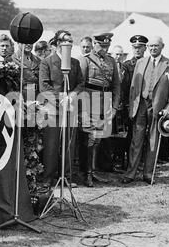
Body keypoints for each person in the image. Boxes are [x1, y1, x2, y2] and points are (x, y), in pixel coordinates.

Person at [122, 36, 169, 185]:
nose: (153, 48)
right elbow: (133, 88)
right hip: (141, 104)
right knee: (136, 139)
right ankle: (131, 173)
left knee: (153, 140)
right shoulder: (141, 62)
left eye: (156, 46)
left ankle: (148, 173)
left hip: (158, 107)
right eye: (151, 46)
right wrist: (131, 107)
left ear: (162, 46)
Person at [39, 30, 84, 188]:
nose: (69, 44)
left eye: (71, 41)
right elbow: (44, 85)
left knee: (69, 144)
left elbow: (80, 83)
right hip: (52, 110)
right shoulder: (47, 62)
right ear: (57, 43)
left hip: (70, 108)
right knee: (51, 144)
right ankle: (48, 178)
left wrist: (72, 95)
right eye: (66, 41)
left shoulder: (75, 63)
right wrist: (59, 99)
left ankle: (67, 177)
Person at [78, 32, 120, 187]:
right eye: (101, 45)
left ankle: (93, 171)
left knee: (98, 139)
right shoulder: (86, 60)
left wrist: (114, 106)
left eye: (107, 46)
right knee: (89, 139)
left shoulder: (112, 61)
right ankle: (86, 173)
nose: (104, 48)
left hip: (106, 101)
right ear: (95, 44)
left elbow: (116, 86)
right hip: (90, 100)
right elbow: (80, 85)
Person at [120, 35, 147, 168]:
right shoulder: (126, 66)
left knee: (143, 135)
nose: (137, 50)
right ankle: (126, 163)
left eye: (140, 47)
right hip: (130, 104)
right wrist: (126, 104)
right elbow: (123, 87)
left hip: (145, 104)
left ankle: (140, 161)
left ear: (145, 48)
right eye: (135, 47)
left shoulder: (149, 64)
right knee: (129, 135)